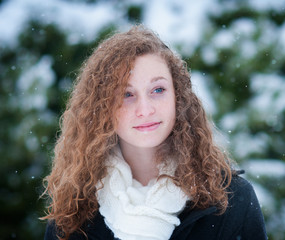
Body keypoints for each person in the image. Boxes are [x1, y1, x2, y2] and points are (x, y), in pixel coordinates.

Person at [42, 24, 267, 240]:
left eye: (158, 90)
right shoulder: (74, 211)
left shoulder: (232, 200)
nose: (145, 109)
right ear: (102, 106)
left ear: (178, 97)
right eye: (126, 94)